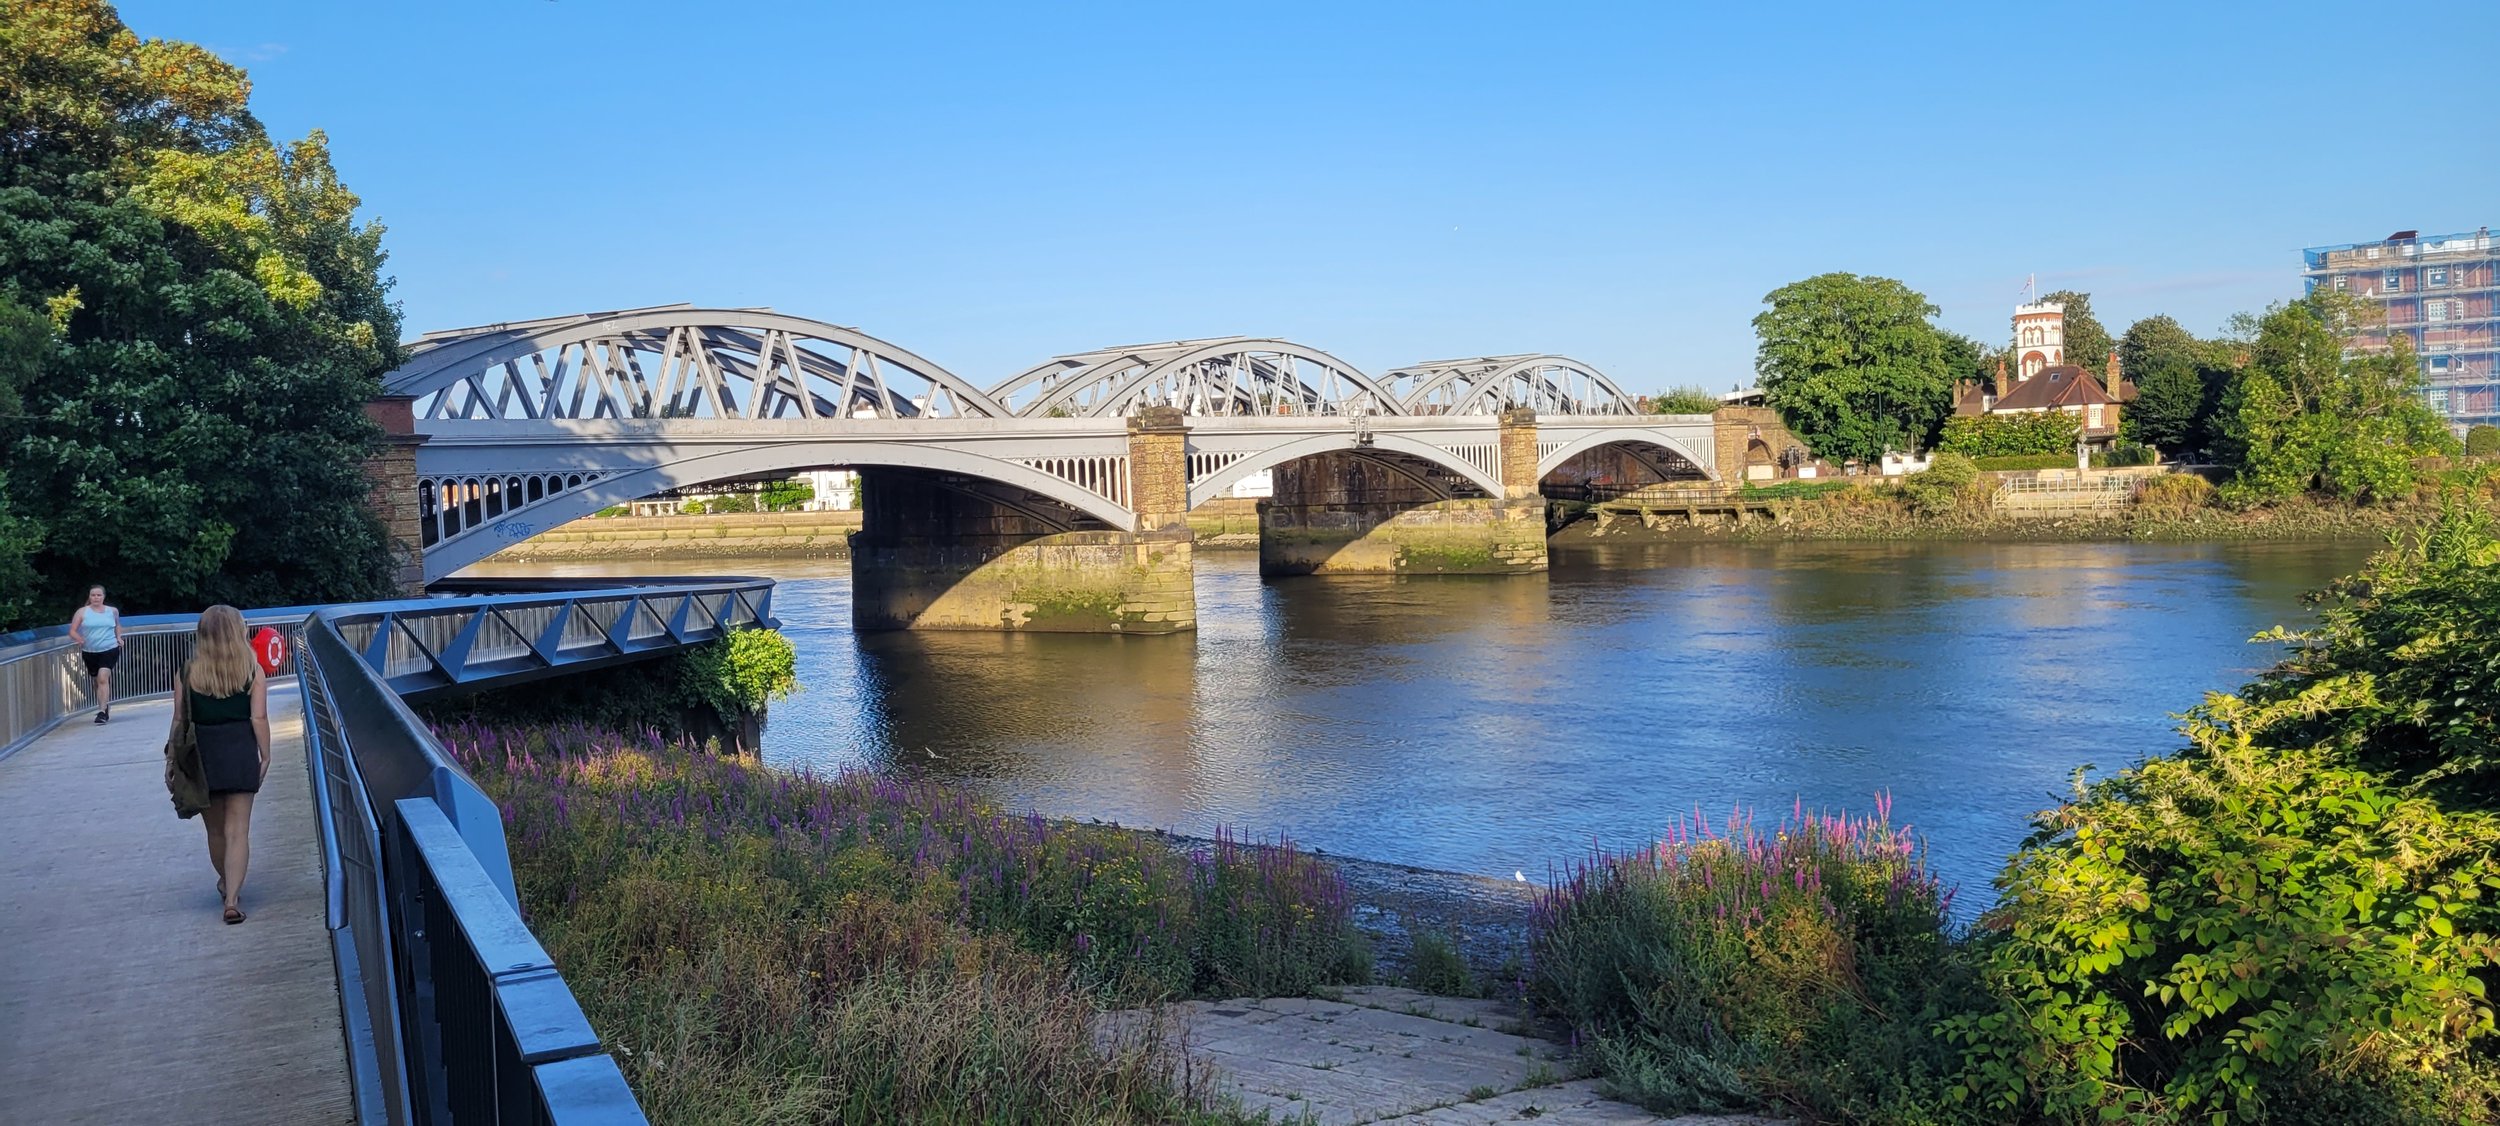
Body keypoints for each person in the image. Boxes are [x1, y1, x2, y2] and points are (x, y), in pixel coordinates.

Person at [172, 605, 269, 925]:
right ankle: (232, 899)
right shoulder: (252, 670)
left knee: (215, 831)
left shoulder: (188, 672)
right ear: (237, 631)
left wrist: (172, 759)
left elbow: (179, 720)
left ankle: (226, 882)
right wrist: (265, 755)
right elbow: (258, 717)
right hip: (240, 749)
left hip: (203, 754)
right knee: (238, 830)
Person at [70, 586, 124, 724]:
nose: (96, 598)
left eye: (99, 595)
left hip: (109, 648)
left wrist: (118, 637)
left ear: (103, 597)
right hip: (90, 651)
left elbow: (117, 625)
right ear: (89, 597)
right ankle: (104, 706)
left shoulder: (112, 611)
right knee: (96, 681)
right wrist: (80, 639)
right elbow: (72, 631)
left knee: (102, 678)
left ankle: (101, 713)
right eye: (93, 595)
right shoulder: (82, 612)